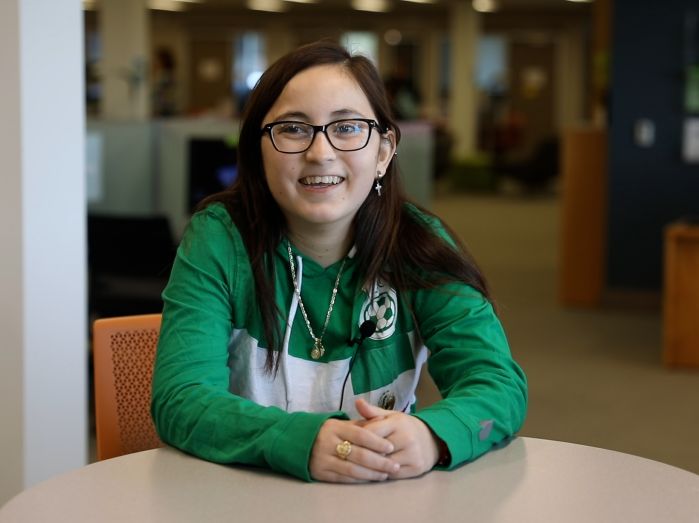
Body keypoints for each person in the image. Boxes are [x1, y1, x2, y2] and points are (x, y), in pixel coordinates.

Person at [151, 40, 527, 483]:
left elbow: (497, 382)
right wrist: (299, 440)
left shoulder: (418, 243)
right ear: (257, 151)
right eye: (293, 128)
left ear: (383, 152)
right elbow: (181, 397)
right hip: (246, 493)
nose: (320, 152)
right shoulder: (218, 238)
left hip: (386, 495)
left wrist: (430, 435)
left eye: (347, 127)